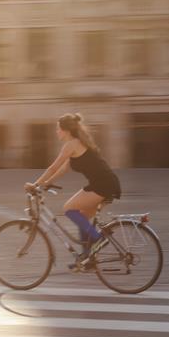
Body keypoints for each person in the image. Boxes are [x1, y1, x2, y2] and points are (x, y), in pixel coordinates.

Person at [25, 113, 122, 267]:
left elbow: (53, 167)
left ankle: (98, 239)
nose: (57, 132)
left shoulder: (71, 144)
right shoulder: (77, 144)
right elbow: (64, 168)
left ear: (66, 131)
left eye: (58, 129)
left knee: (69, 209)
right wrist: (47, 183)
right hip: (105, 183)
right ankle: (87, 258)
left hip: (103, 185)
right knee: (82, 218)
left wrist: (35, 184)